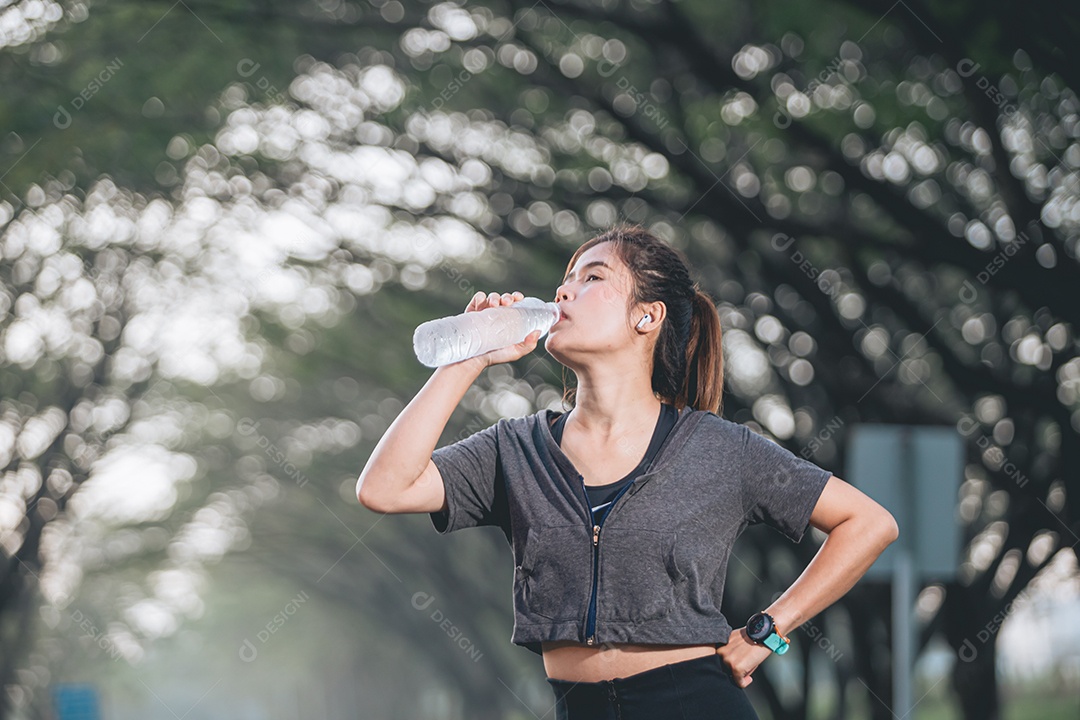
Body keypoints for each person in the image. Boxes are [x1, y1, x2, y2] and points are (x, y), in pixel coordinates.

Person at [357, 223, 898, 719]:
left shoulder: (719, 448)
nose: (563, 292)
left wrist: (767, 632)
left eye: (592, 278)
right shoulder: (513, 449)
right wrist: (467, 358)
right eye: (565, 279)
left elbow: (869, 524)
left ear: (648, 315)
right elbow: (384, 488)